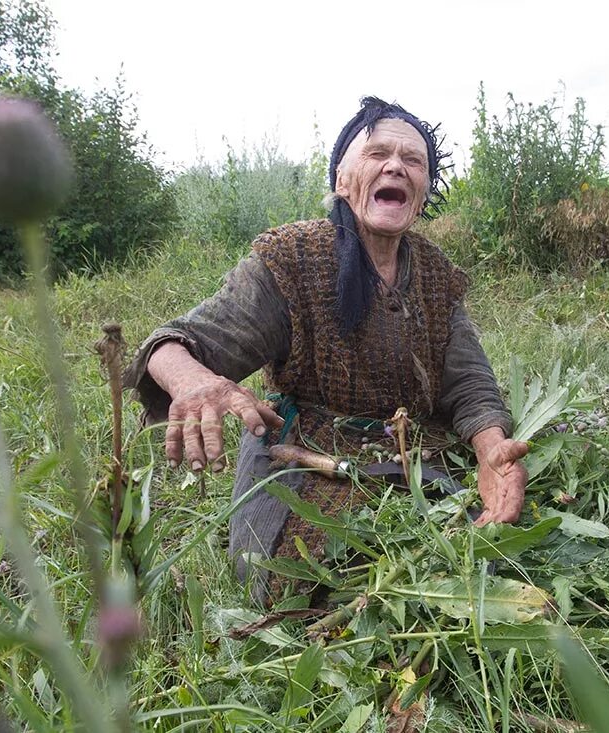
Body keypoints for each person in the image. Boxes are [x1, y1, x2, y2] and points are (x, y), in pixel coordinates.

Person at [125, 97, 528, 601]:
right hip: (304, 450)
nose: (395, 166)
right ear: (341, 179)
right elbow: (170, 344)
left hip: (409, 449)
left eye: (414, 160)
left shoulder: (435, 274)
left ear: (424, 193)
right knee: (298, 583)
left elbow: (469, 383)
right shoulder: (292, 260)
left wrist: (492, 449)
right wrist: (195, 382)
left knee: (490, 544)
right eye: (377, 152)